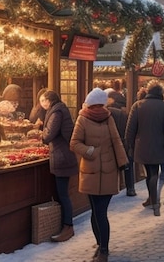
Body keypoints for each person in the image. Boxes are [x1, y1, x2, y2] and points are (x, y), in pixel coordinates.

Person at [70, 88, 128, 262]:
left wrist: (123, 162)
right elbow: (74, 143)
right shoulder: (84, 119)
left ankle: (103, 250)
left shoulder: (108, 117)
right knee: (96, 212)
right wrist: (90, 151)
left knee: (100, 212)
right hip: (92, 172)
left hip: (107, 171)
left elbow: (116, 140)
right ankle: (100, 245)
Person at [125, 80, 164, 216]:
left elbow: (130, 129)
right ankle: (154, 200)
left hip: (143, 147)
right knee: (154, 173)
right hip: (160, 146)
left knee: (150, 172)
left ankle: (152, 199)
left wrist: (129, 144)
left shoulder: (137, 106)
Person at [40, 90, 79, 242]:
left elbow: (49, 135)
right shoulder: (58, 109)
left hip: (62, 157)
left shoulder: (57, 112)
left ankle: (68, 227)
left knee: (63, 194)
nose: (41, 104)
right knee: (62, 193)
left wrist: (42, 134)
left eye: (43, 100)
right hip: (63, 154)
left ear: (49, 100)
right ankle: (65, 225)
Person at [105, 89, 135, 197]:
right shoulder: (125, 109)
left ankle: (115, 187)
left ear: (112, 99)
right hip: (125, 140)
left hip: (114, 141)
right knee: (127, 165)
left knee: (113, 166)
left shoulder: (108, 112)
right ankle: (130, 188)